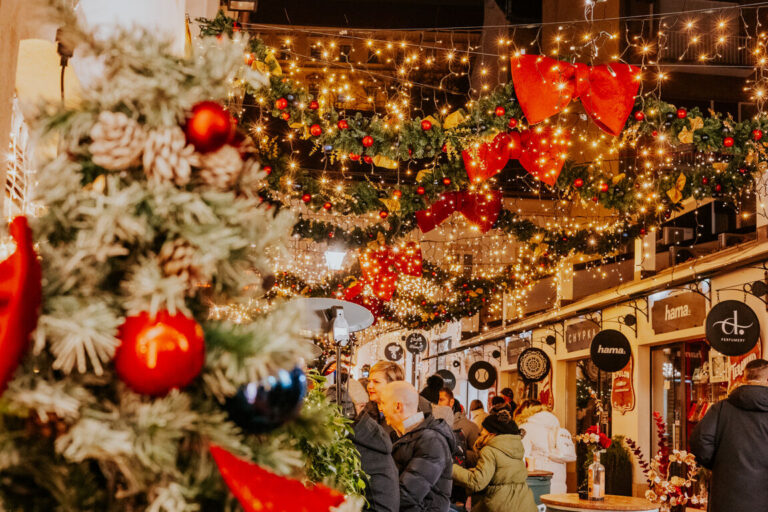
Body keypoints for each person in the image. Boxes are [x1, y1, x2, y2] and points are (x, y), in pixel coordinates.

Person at [691, 358, 768, 512]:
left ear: (744, 378)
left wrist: (719, 464)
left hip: (725, 498)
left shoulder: (720, 408)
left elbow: (699, 441)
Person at [380, 381, 455, 512]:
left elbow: (406, 495)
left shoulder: (432, 441)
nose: (381, 408)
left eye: (383, 403)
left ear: (397, 406)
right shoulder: (401, 436)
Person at [452, 410, 537, 512]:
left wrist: (451, 468)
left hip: (502, 506)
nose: (480, 432)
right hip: (525, 504)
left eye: (484, 429)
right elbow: (501, 473)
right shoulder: (515, 448)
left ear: (492, 433)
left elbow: (477, 482)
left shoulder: (490, 450)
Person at [514, 399, 575, 494]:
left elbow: (521, 457)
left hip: (538, 484)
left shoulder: (525, 428)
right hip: (560, 484)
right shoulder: (556, 428)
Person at [364, 361, 432, 431]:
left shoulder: (416, 407)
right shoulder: (366, 409)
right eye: (369, 381)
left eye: (376, 382)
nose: (369, 386)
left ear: (392, 383)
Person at [438, 388, 480, 464]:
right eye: (435, 400)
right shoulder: (429, 423)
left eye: (441, 400)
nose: (438, 404)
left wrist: (459, 451)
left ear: (451, 402)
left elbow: (478, 457)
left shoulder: (470, 426)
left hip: (458, 470)